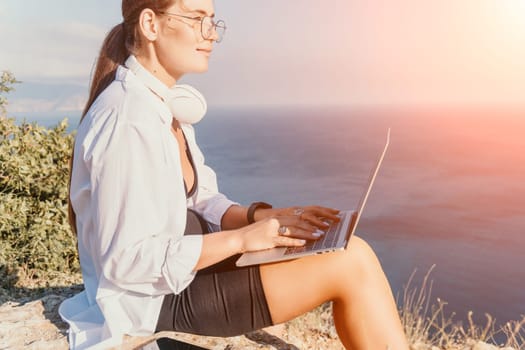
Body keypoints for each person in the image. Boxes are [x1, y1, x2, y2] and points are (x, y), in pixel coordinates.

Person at [59, 0, 410, 349]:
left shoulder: (161, 105)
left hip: (185, 274)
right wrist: (241, 240)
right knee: (350, 263)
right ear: (151, 25)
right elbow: (125, 260)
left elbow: (197, 199)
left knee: (346, 250)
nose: (211, 34)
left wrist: (261, 217)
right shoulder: (127, 120)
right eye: (197, 19)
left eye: (212, 22)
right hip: (153, 301)